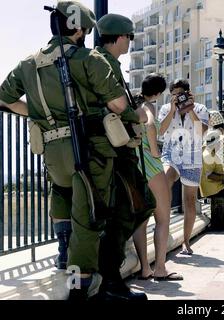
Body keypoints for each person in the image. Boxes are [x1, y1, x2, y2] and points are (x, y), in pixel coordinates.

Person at [0, 1, 148, 300]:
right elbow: (118, 105)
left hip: (53, 154)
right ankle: (82, 288)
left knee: (63, 207)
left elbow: (4, 99)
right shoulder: (89, 58)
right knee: (90, 218)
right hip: (90, 151)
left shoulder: (29, 63)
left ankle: (65, 264)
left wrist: (40, 116)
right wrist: (137, 115)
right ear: (79, 28)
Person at [95, 13, 155, 300]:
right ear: (120, 37)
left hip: (123, 149)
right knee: (122, 212)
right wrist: (138, 114)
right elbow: (115, 104)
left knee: (142, 205)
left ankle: (111, 268)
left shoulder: (110, 65)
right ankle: (110, 279)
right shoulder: (102, 63)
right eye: (129, 37)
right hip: (113, 151)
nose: (130, 42)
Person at [132, 73, 183, 281]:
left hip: (134, 166)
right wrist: (155, 152)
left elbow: (152, 127)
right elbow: (152, 125)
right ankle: (160, 268)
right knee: (163, 218)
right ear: (158, 93)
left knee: (141, 221)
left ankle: (145, 268)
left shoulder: (131, 105)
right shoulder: (147, 106)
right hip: (151, 166)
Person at [158, 79, 209, 255]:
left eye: (179, 95)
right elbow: (160, 131)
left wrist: (191, 109)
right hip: (171, 153)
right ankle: (165, 229)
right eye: (173, 95)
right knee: (164, 184)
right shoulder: (166, 109)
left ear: (187, 93)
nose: (176, 98)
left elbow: (201, 131)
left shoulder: (200, 108)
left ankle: (186, 242)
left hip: (192, 156)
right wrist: (173, 110)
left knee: (189, 200)